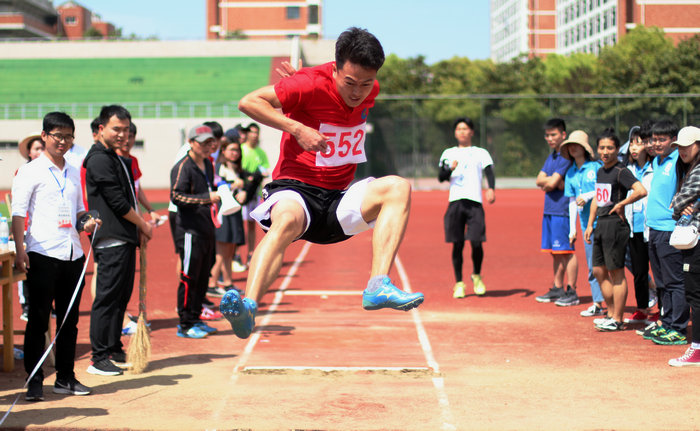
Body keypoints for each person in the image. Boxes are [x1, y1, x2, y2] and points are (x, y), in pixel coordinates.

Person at [222, 27, 424, 339]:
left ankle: (377, 285)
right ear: (335, 67)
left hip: (338, 200)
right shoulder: (307, 83)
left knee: (399, 187)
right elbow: (248, 102)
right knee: (286, 219)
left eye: (366, 84)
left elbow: (335, 106)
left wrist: (305, 98)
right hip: (296, 189)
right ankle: (248, 307)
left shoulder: (371, 89)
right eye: (350, 83)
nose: (358, 92)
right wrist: (296, 127)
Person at [12, 111, 100, 401]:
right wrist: (20, 249)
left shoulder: (74, 171)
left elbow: (77, 212)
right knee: (38, 319)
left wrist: (86, 222)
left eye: (68, 136)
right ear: (45, 136)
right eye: (58, 136)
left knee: (69, 321)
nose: (63, 141)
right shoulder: (31, 171)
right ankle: (35, 379)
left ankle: (65, 377)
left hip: (72, 252)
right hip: (42, 252)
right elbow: (18, 213)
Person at [83, 105, 153, 376]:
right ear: (101, 129)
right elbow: (116, 201)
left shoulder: (114, 157)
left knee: (120, 297)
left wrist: (138, 230)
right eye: (116, 129)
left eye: (126, 129)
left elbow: (128, 197)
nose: (123, 134)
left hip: (124, 237)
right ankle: (98, 357)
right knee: (107, 298)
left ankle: (112, 348)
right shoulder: (99, 159)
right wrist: (143, 224)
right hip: (111, 238)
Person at [584, 128, 647, 331]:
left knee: (616, 272)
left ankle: (618, 319)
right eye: (602, 147)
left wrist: (622, 204)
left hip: (615, 225)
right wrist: (589, 223)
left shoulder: (622, 171)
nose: (605, 152)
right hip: (600, 224)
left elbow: (641, 190)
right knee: (598, 271)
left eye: (610, 148)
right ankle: (611, 313)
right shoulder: (601, 170)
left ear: (617, 149)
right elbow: (597, 198)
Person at [170, 124, 222, 339]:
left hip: (206, 227)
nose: (208, 146)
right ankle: (185, 323)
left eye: (210, 142)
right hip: (189, 230)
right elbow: (177, 196)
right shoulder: (184, 166)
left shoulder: (208, 164)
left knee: (203, 275)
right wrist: (205, 199)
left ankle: (196, 317)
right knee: (189, 276)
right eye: (203, 143)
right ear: (191, 143)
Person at [642, 120, 690, 345]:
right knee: (662, 282)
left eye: (662, 139)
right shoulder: (657, 161)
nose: (657, 143)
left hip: (670, 229)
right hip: (654, 230)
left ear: (673, 140)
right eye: (654, 139)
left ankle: (679, 328)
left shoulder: (679, 161)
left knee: (675, 282)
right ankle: (667, 322)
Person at [437, 117, 495, 298]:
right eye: (459, 129)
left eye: (465, 128)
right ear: (455, 133)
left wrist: (491, 188)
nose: (462, 131)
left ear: (472, 132)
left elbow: (489, 172)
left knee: (476, 242)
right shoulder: (448, 153)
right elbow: (441, 177)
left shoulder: (481, 152)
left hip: (475, 202)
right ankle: (459, 283)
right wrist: (450, 169)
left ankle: (476, 276)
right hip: (455, 202)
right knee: (458, 243)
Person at [208, 139, 262, 297]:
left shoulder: (239, 170)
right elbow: (216, 186)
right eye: (231, 150)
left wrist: (245, 189)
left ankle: (228, 282)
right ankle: (212, 283)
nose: (235, 153)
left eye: (237, 150)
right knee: (222, 249)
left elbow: (250, 182)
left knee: (231, 248)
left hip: (235, 211)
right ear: (223, 151)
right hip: (224, 211)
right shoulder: (219, 168)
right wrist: (234, 185)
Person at [535, 118, 578, 304]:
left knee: (566, 251)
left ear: (563, 134)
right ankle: (557, 287)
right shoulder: (552, 156)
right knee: (555, 251)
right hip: (550, 210)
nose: (550, 138)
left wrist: (550, 183)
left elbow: (551, 183)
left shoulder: (566, 157)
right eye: (547, 135)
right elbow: (539, 180)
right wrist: (549, 183)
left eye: (553, 134)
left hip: (562, 210)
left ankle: (572, 290)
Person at [560, 130, 603, 311]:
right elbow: (571, 202)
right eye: (570, 145)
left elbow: (604, 190)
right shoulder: (570, 173)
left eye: (577, 145)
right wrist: (572, 229)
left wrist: (587, 195)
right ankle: (598, 303)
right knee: (593, 265)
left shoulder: (596, 167)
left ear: (585, 148)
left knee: (624, 261)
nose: (573, 148)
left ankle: (650, 289)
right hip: (587, 225)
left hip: (605, 220)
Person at [668, 126, 700, 366]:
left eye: (687, 145)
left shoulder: (698, 171)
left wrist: (679, 204)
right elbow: (677, 207)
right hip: (692, 238)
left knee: (695, 295)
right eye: (679, 146)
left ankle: (697, 349)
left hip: (696, 240)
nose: (682, 151)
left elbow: (676, 202)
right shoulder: (690, 170)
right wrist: (679, 206)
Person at [623, 126, 655, 324]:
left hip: (653, 228)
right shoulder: (628, 170)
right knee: (639, 272)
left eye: (639, 142)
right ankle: (642, 309)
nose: (634, 148)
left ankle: (663, 310)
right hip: (634, 228)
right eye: (631, 143)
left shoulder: (655, 168)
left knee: (660, 272)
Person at [16, 133, 45, 321]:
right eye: (36, 149)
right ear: (29, 152)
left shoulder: (52, 171)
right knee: (26, 268)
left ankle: (46, 304)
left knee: (44, 269)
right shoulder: (23, 172)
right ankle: (26, 305)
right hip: (27, 227)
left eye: (42, 148)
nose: (39, 152)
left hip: (44, 229)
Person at [240, 122, 270, 267]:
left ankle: (251, 253)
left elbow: (265, 170)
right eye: (252, 132)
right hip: (241, 192)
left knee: (252, 224)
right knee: (238, 224)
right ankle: (236, 255)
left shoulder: (261, 152)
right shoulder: (241, 149)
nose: (254, 135)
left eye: (256, 132)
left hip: (255, 192)